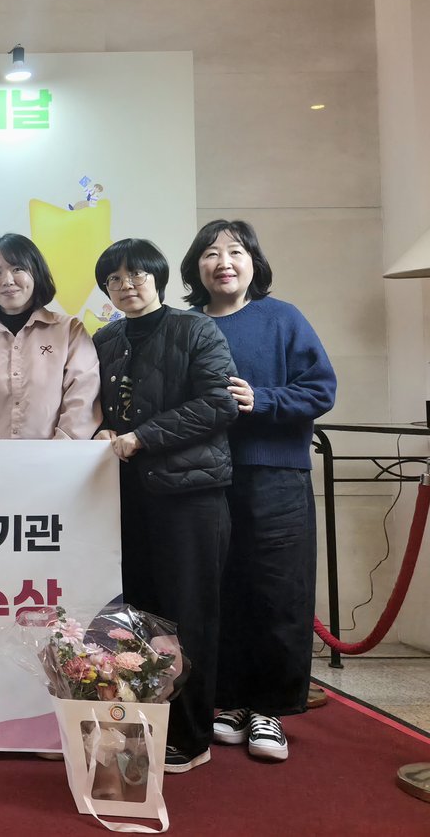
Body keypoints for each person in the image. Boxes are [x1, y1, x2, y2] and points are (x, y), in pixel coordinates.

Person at [181, 219, 337, 763]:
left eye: (235, 252)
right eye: (210, 253)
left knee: (277, 591)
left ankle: (270, 707)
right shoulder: (185, 325)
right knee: (218, 590)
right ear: (195, 266)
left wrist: (264, 399)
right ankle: (227, 700)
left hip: (274, 474)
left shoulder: (282, 318)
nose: (223, 262)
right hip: (203, 479)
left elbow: (321, 389)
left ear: (254, 263)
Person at [92, 238, 239, 774]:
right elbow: (102, 407)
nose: (126, 285)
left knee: (188, 615)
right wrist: (104, 429)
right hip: (127, 498)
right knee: (134, 617)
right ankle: (141, 724)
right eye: (114, 279)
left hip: (189, 497)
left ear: (157, 277)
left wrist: (144, 436)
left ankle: (191, 735)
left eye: (136, 275)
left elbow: (219, 403)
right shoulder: (105, 338)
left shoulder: (194, 329)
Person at [0, 233, 100, 440]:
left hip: (60, 457)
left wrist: (58, 451)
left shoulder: (69, 330)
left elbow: (83, 399)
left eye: (18, 269)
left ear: (36, 272)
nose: (7, 280)